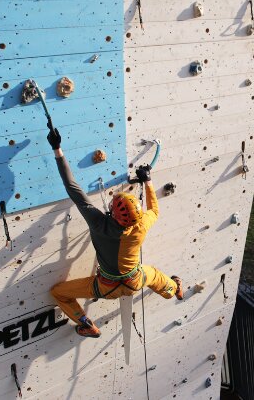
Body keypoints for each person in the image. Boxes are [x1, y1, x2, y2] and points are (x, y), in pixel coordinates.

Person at [46, 127, 183, 338]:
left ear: (113, 212)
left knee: (59, 293)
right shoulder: (141, 225)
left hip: (105, 287)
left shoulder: (98, 222)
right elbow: (154, 209)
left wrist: (57, 149)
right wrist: (147, 179)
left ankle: (85, 322)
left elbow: (72, 187)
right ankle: (174, 289)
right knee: (154, 275)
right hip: (134, 281)